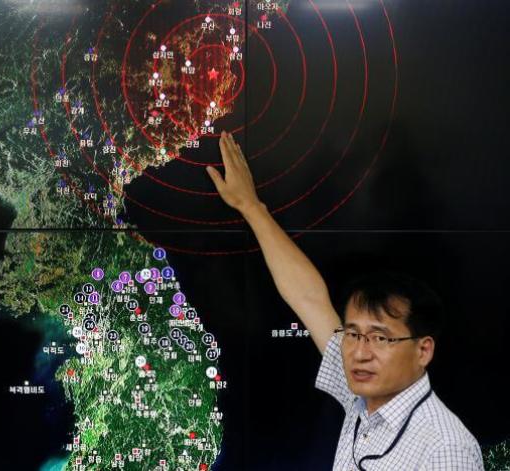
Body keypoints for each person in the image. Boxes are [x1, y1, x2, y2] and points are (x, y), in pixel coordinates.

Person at [206, 131, 484, 470]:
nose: (360, 352)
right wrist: (250, 206)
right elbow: (309, 299)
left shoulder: (446, 449)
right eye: (353, 333)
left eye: (381, 337)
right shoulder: (363, 397)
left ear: (423, 350)